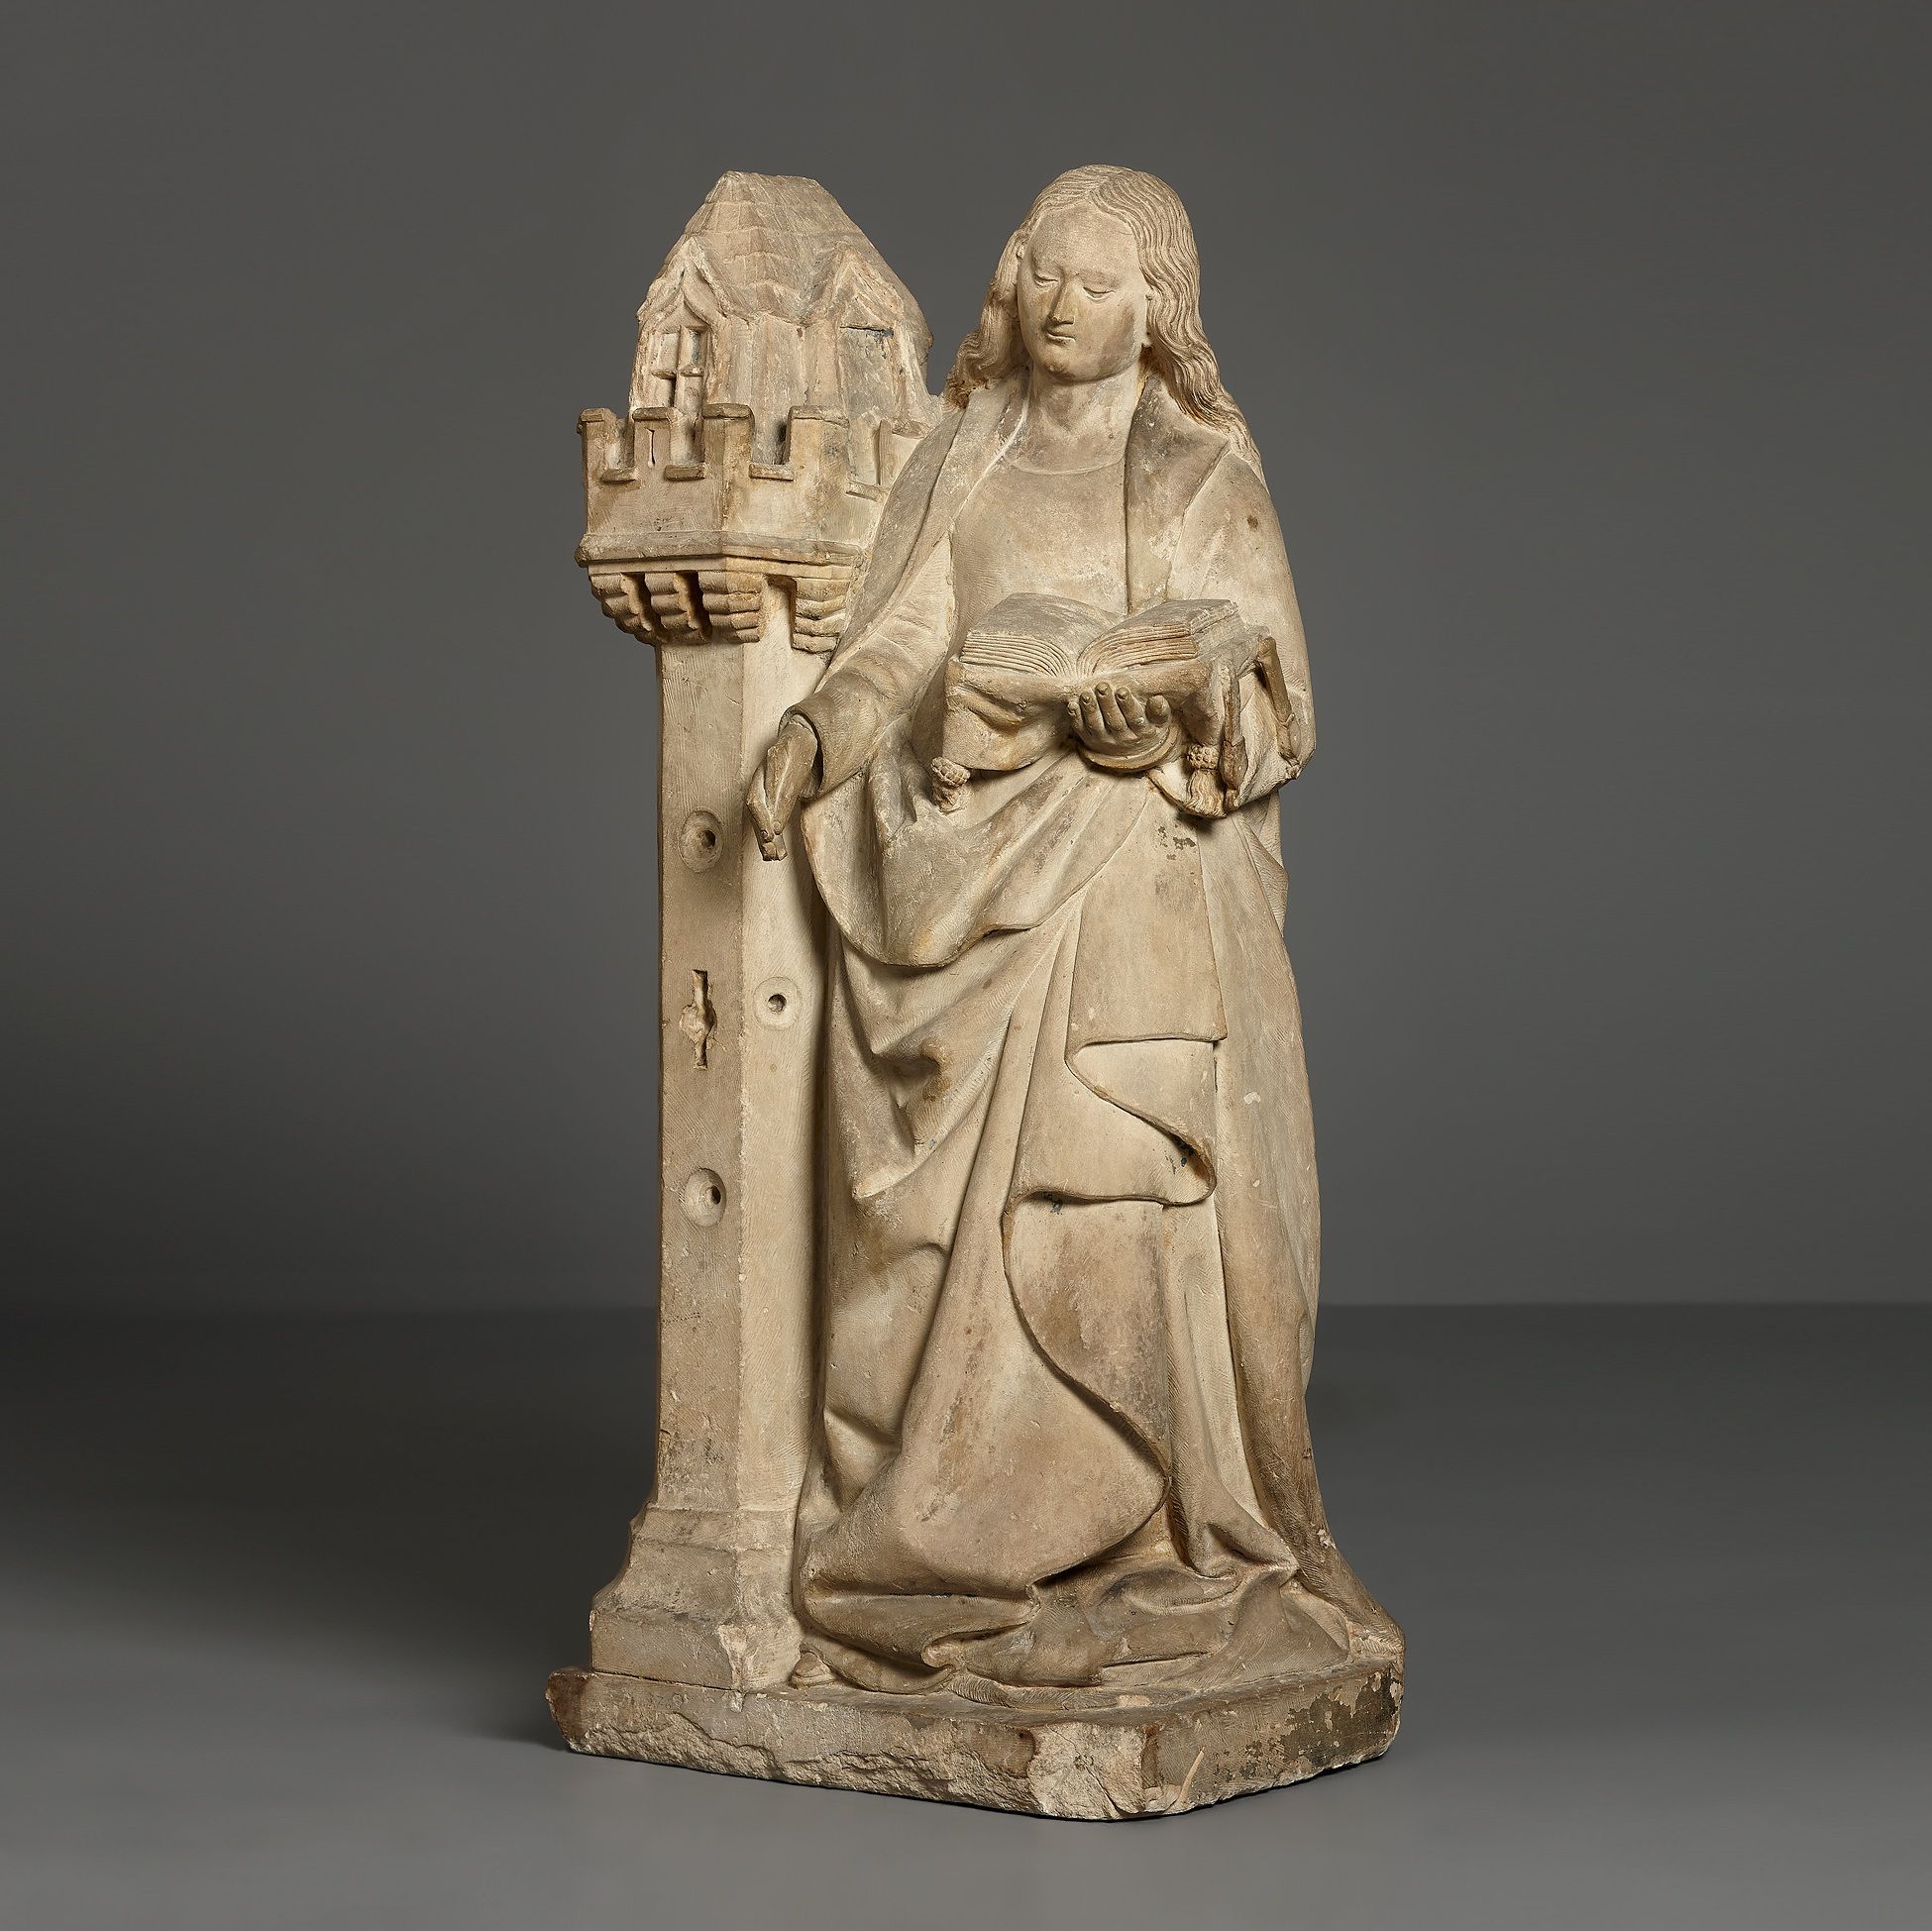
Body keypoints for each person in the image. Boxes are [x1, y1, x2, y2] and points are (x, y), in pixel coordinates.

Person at [746, 165, 1394, 1700]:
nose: (1060, 305)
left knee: (1116, 1197)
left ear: (1157, 309)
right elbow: (901, 641)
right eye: (1042, 272)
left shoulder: (1197, 468)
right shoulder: (963, 451)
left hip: (1133, 895)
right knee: (926, 1239)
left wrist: (1163, 708)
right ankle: (950, 1531)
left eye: (1098, 284)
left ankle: (1141, 1540)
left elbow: (1271, 697)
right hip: (964, 888)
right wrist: (814, 737)